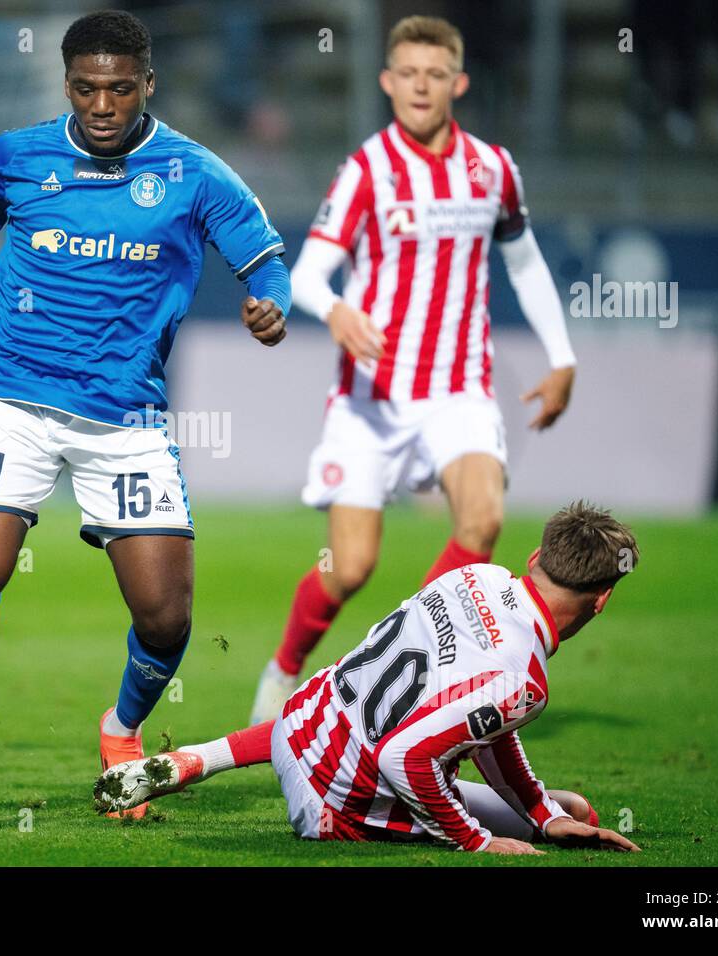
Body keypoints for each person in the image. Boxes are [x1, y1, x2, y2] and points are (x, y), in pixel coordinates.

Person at [0, 10, 290, 818]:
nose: (103, 105)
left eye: (119, 89)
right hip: (13, 399)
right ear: (67, 85)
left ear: (148, 84)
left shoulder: (194, 172)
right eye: (86, 89)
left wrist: (269, 305)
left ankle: (122, 728)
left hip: (127, 419)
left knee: (166, 615)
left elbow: (263, 259)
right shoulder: (18, 156)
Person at [250, 15, 576, 724]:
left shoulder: (493, 169)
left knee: (483, 519)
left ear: (457, 82)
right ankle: (283, 669)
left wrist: (563, 356)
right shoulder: (367, 168)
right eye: (408, 74)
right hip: (372, 399)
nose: (421, 87)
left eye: (436, 75)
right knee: (353, 567)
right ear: (386, 81)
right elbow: (306, 276)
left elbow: (523, 260)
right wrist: (336, 311)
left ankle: (398, 670)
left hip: (458, 387)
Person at [98, 501, 641, 855]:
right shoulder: (523, 679)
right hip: (334, 804)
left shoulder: (479, 575)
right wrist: (476, 842)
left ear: (535, 556)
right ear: (602, 601)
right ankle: (214, 759)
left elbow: (485, 727)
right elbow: (405, 757)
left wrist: (540, 813)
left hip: (298, 722)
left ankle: (204, 756)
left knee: (554, 809)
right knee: (570, 811)